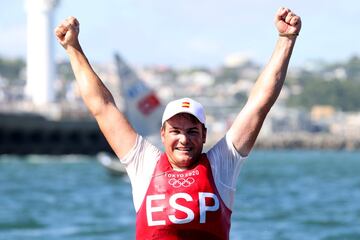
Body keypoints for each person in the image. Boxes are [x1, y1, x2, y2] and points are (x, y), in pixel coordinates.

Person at [55, 6, 301, 240]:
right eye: (176, 131)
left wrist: (285, 39)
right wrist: (72, 48)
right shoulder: (144, 162)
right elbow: (103, 108)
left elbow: (258, 105)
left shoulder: (222, 164)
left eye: (192, 131)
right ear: (163, 134)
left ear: (204, 135)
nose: (184, 139)